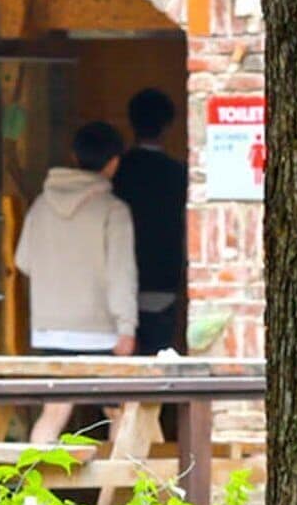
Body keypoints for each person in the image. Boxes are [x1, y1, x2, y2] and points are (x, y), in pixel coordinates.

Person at [14, 122, 138, 357]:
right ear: (114, 162)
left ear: (73, 156)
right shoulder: (113, 210)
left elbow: (23, 261)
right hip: (98, 333)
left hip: (47, 331)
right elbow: (121, 273)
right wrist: (127, 328)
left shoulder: (41, 205)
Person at [111, 86, 190, 358]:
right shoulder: (179, 174)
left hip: (116, 283)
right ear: (168, 126)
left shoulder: (116, 172)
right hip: (162, 280)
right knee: (161, 364)